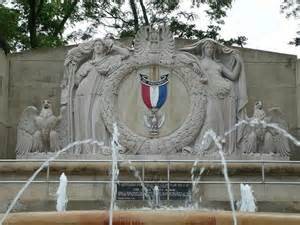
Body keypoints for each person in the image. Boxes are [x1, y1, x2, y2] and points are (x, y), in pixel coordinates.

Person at [180, 38, 248, 154]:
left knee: (222, 121)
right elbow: (186, 66)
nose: (210, 49)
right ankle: (202, 148)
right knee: (210, 119)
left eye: (212, 47)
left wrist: (239, 62)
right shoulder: (199, 62)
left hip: (226, 94)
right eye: (207, 47)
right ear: (203, 49)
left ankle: (220, 148)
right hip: (210, 93)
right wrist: (195, 69)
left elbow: (233, 76)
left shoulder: (219, 64)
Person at [64, 38, 129, 152]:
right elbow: (76, 81)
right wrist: (72, 73)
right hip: (83, 95)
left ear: (104, 48)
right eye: (96, 45)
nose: (98, 46)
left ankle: (102, 147)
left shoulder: (110, 59)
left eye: (100, 45)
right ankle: (89, 149)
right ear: (93, 48)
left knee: (97, 120)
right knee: (85, 121)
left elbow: (126, 54)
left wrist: (113, 47)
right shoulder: (87, 64)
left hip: (100, 94)